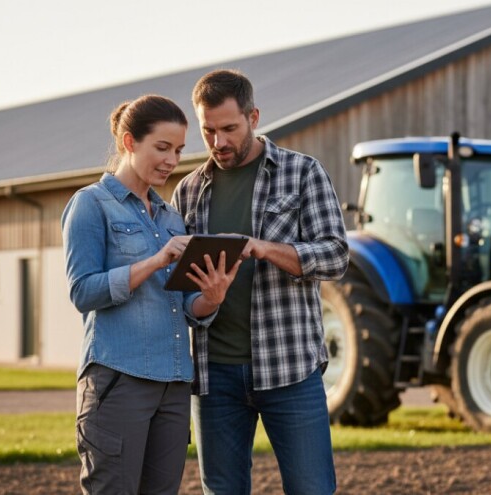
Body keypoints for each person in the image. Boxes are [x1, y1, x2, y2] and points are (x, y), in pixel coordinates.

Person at [171, 69, 348, 494]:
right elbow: (179, 292)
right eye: (208, 130)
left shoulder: (302, 173)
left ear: (254, 116)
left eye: (229, 128)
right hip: (215, 378)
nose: (219, 143)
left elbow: (336, 255)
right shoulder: (188, 192)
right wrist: (204, 297)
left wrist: (264, 248)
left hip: (290, 369)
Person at [62, 94, 241, 494]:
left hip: (175, 383)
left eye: (178, 150)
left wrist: (212, 296)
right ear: (129, 142)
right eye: (162, 148)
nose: (171, 160)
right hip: (118, 380)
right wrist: (154, 261)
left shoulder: (172, 218)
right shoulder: (91, 205)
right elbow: (82, 291)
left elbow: (184, 306)